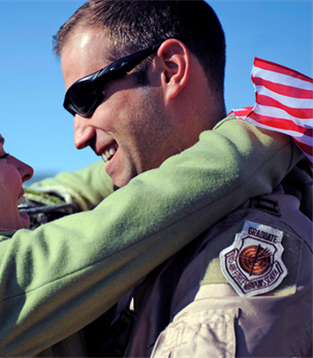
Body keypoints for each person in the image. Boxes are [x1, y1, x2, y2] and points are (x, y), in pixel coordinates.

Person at [0, 89, 300, 357]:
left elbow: (64, 198)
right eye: (1, 155)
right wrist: (266, 132)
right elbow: (125, 225)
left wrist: (133, 155)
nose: (25, 170)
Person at [29, 0, 312, 356]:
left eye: (85, 97)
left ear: (170, 69)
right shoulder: (171, 232)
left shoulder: (242, 245)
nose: (79, 137)